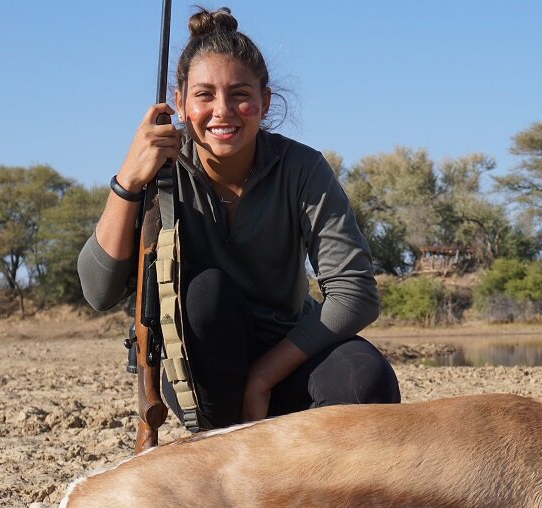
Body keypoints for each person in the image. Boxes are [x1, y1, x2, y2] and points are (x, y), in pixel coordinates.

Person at [78, 6, 400, 430]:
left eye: (241, 94)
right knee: (208, 292)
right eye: (204, 94)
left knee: (366, 380)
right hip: (201, 364)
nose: (223, 111)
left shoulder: (302, 168)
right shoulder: (157, 173)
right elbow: (99, 292)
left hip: (287, 355)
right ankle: (222, 441)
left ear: (264, 102)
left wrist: (263, 375)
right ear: (179, 103)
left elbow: (354, 292)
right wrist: (128, 181)